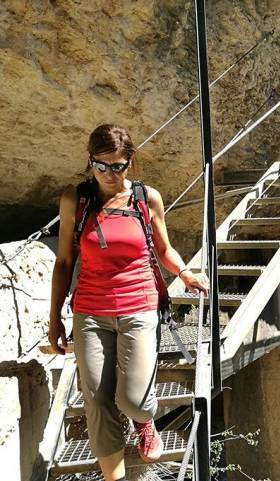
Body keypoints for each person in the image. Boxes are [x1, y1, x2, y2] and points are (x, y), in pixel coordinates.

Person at [47, 124, 208, 481]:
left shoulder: (145, 198)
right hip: (89, 313)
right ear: (90, 162)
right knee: (98, 400)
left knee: (132, 400)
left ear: (129, 161)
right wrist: (54, 318)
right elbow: (63, 263)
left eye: (117, 166)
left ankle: (144, 421)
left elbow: (163, 249)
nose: (108, 174)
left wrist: (184, 274)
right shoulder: (76, 199)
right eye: (101, 166)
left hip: (138, 308)